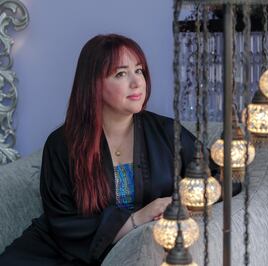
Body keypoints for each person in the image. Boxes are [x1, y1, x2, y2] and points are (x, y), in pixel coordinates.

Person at [0, 34, 228, 265]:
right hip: (56, 252)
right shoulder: (61, 143)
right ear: (94, 85)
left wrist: (183, 202)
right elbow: (62, 222)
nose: (137, 82)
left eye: (139, 70)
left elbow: (222, 177)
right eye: (121, 74)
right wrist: (135, 219)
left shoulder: (168, 133)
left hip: (133, 253)